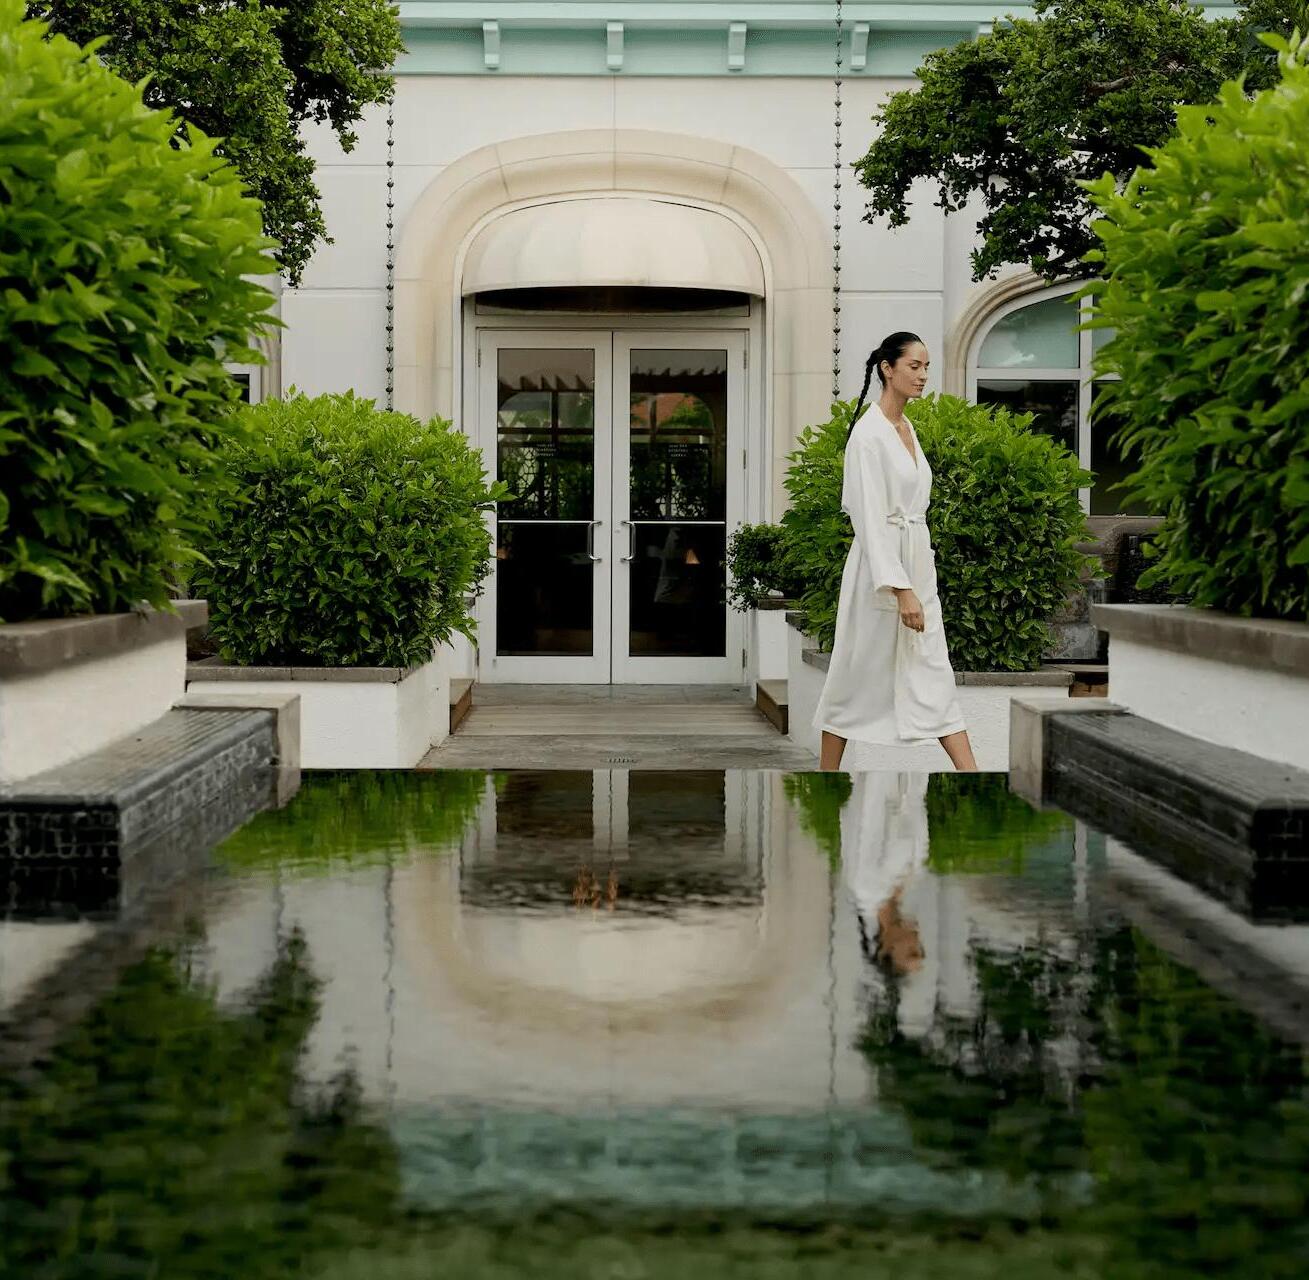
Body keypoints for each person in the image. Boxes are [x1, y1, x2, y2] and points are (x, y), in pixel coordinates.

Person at [814, 333, 978, 772]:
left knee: (933, 666)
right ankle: (825, 779)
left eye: (927, 367)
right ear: (888, 369)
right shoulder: (868, 435)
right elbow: (868, 517)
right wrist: (900, 588)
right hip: (879, 570)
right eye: (914, 366)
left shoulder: (907, 429)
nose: (923, 376)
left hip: (917, 563)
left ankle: (973, 779)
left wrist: (916, 582)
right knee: (855, 672)